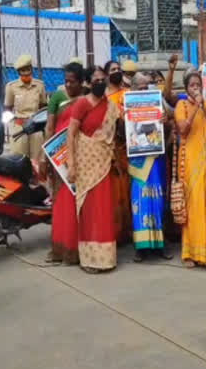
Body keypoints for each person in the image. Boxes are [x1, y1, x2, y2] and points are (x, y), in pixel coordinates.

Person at [66, 66, 120, 273]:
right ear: (88, 83)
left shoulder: (111, 106)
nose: (100, 82)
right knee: (88, 210)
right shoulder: (82, 104)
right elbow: (71, 135)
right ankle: (89, 259)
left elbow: (120, 126)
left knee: (103, 209)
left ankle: (106, 258)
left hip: (104, 162)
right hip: (85, 163)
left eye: (102, 79)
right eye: (95, 80)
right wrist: (71, 164)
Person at [174, 72, 206, 267]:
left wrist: (203, 105)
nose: (196, 87)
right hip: (190, 165)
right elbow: (183, 129)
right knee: (193, 206)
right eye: (192, 85)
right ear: (186, 88)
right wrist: (195, 107)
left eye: (198, 84)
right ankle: (190, 253)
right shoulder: (182, 106)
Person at [129, 70, 171, 262]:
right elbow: (123, 131)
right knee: (140, 202)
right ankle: (141, 247)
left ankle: (160, 245)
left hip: (156, 158)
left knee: (158, 200)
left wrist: (165, 120)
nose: (145, 90)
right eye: (141, 87)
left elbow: (171, 119)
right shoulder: (126, 103)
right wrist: (125, 119)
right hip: (138, 160)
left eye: (147, 87)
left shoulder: (157, 100)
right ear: (133, 88)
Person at [44, 63, 84, 264]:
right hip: (59, 156)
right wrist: (47, 158)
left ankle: (76, 249)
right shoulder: (57, 97)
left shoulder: (86, 98)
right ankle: (60, 248)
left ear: (81, 82)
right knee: (61, 202)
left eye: (72, 81)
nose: (68, 85)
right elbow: (50, 127)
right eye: (66, 81)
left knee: (77, 202)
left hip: (81, 155)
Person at [104, 60, 132, 245]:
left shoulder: (128, 94)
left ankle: (128, 232)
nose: (117, 72)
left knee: (127, 189)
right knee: (114, 193)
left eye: (118, 69)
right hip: (109, 148)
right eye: (113, 70)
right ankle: (115, 233)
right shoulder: (103, 97)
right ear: (106, 75)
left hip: (126, 146)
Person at [5, 54, 47, 161]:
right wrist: (13, 126)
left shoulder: (39, 85)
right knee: (18, 159)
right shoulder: (11, 87)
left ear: (31, 70)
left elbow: (43, 108)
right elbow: (7, 109)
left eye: (28, 70)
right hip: (19, 126)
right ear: (18, 72)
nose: (25, 73)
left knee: (38, 159)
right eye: (22, 71)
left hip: (35, 126)